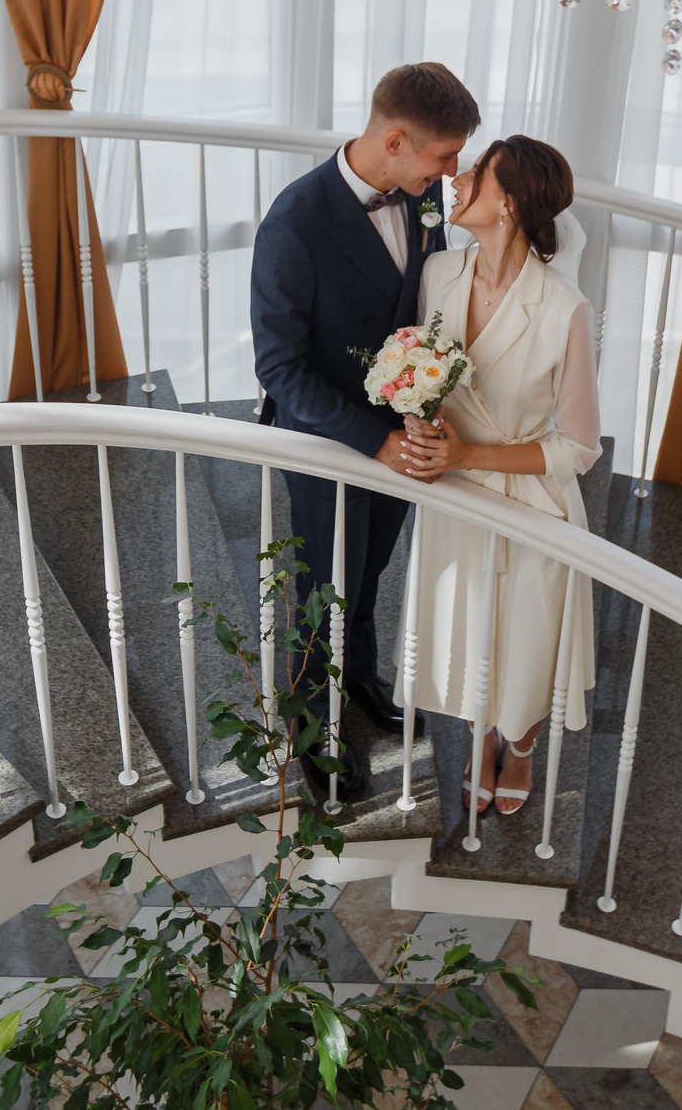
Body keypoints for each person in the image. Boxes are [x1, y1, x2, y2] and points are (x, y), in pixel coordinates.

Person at [252, 62, 480, 799]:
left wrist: (423, 403)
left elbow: (419, 301)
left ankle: (361, 681)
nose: (452, 171)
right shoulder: (293, 223)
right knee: (324, 586)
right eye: (444, 156)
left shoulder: (421, 192)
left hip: (402, 434)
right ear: (394, 140)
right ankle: (313, 726)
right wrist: (372, 437)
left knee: (371, 569)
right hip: (327, 443)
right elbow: (281, 370)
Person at [400, 135, 599, 816]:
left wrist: (468, 457)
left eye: (474, 174)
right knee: (473, 637)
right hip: (454, 499)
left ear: (507, 202)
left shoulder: (564, 309)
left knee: (528, 644)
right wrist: (423, 425)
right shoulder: (437, 276)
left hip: (531, 504)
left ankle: (520, 748)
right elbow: (426, 380)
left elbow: (577, 447)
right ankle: (484, 737)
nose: (455, 182)